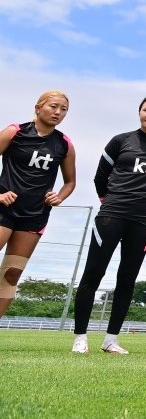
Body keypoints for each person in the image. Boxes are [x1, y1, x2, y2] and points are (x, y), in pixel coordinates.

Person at [73, 96, 146, 354]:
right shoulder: (120, 141)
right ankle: (80, 337)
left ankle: (111, 339)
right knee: (92, 275)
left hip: (142, 220)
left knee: (127, 279)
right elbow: (100, 177)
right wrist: (110, 202)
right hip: (111, 215)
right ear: (139, 112)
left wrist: (140, 203)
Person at [0, 91, 76, 318]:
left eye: (63, 109)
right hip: (4, 211)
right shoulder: (15, 132)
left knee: (11, 274)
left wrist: (60, 196)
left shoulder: (64, 144)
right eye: (53, 106)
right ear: (37, 107)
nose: (58, 112)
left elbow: (70, 182)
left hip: (34, 216)